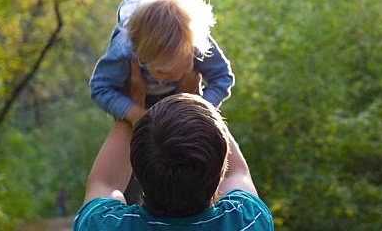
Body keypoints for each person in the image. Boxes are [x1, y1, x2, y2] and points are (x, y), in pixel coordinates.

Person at [73, 66, 274, 229]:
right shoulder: (247, 221)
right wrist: (195, 97)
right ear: (222, 163)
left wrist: (131, 108)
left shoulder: (102, 225)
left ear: (136, 164)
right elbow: (237, 174)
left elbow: (105, 183)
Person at [89, 0, 235, 127]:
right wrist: (135, 113)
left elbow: (222, 77)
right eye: (163, 72)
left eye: (185, 67)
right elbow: (101, 88)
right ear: (141, 55)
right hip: (137, 102)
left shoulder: (193, 39)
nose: (176, 76)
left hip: (188, 99)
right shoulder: (125, 50)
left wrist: (202, 109)